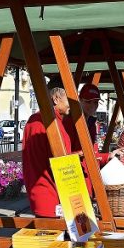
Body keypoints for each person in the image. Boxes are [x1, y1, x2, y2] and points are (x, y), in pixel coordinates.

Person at [22, 78, 72, 217]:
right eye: (69, 99)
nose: (72, 104)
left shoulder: (44, 120)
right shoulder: (46, 122)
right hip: (49, 194)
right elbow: (56, 159)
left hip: (46, 192)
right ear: (56, 99)